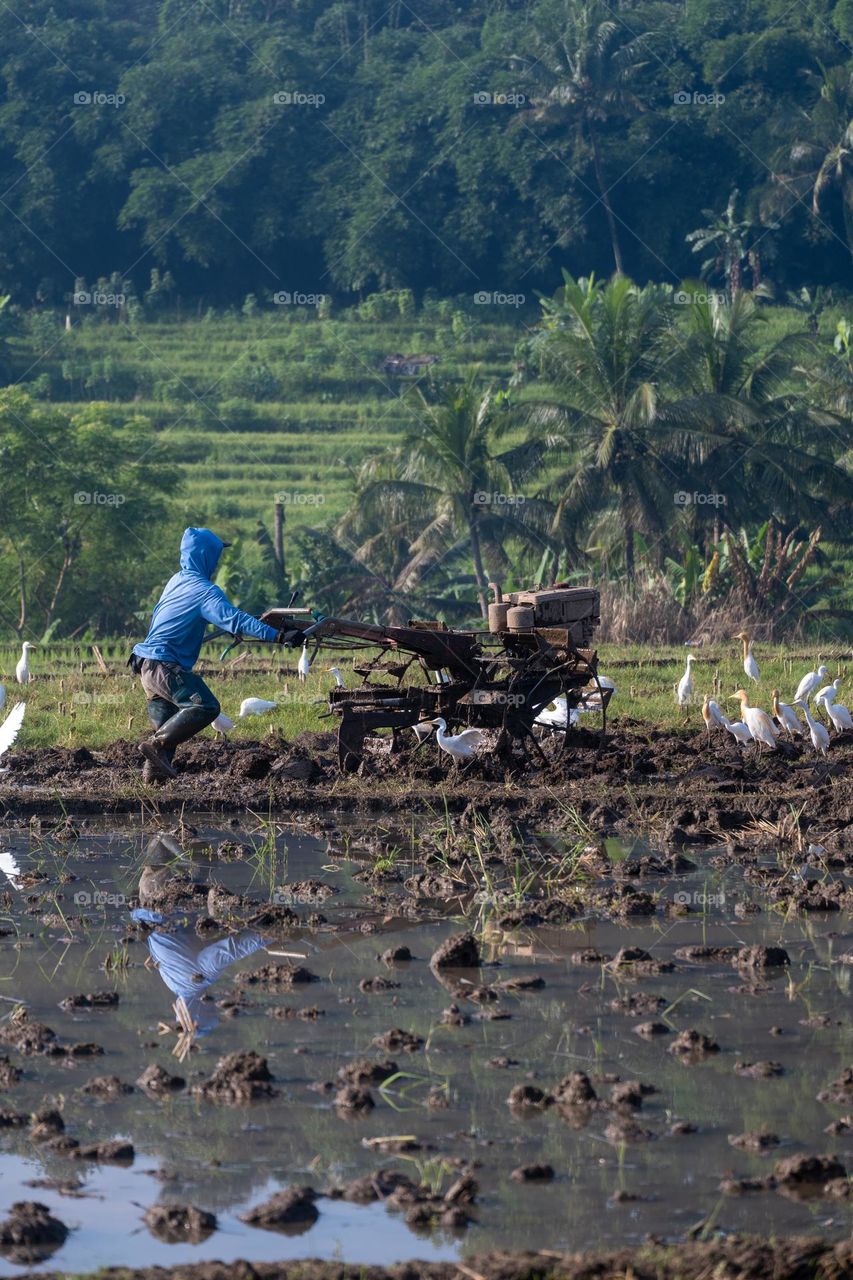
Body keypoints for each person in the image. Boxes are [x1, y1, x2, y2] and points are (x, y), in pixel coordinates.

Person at [130, 527, 297, 781]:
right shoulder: (205, 591)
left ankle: (151, 786)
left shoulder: (176, 580)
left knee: (167, 736)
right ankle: (154, 746)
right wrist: (278, 635)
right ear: (206, 556)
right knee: (206, 707)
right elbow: (234, 617)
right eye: (215, 556)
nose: (217, 561)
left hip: (145, 663)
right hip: (165, 665)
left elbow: (214, 617)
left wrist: (234, 627)